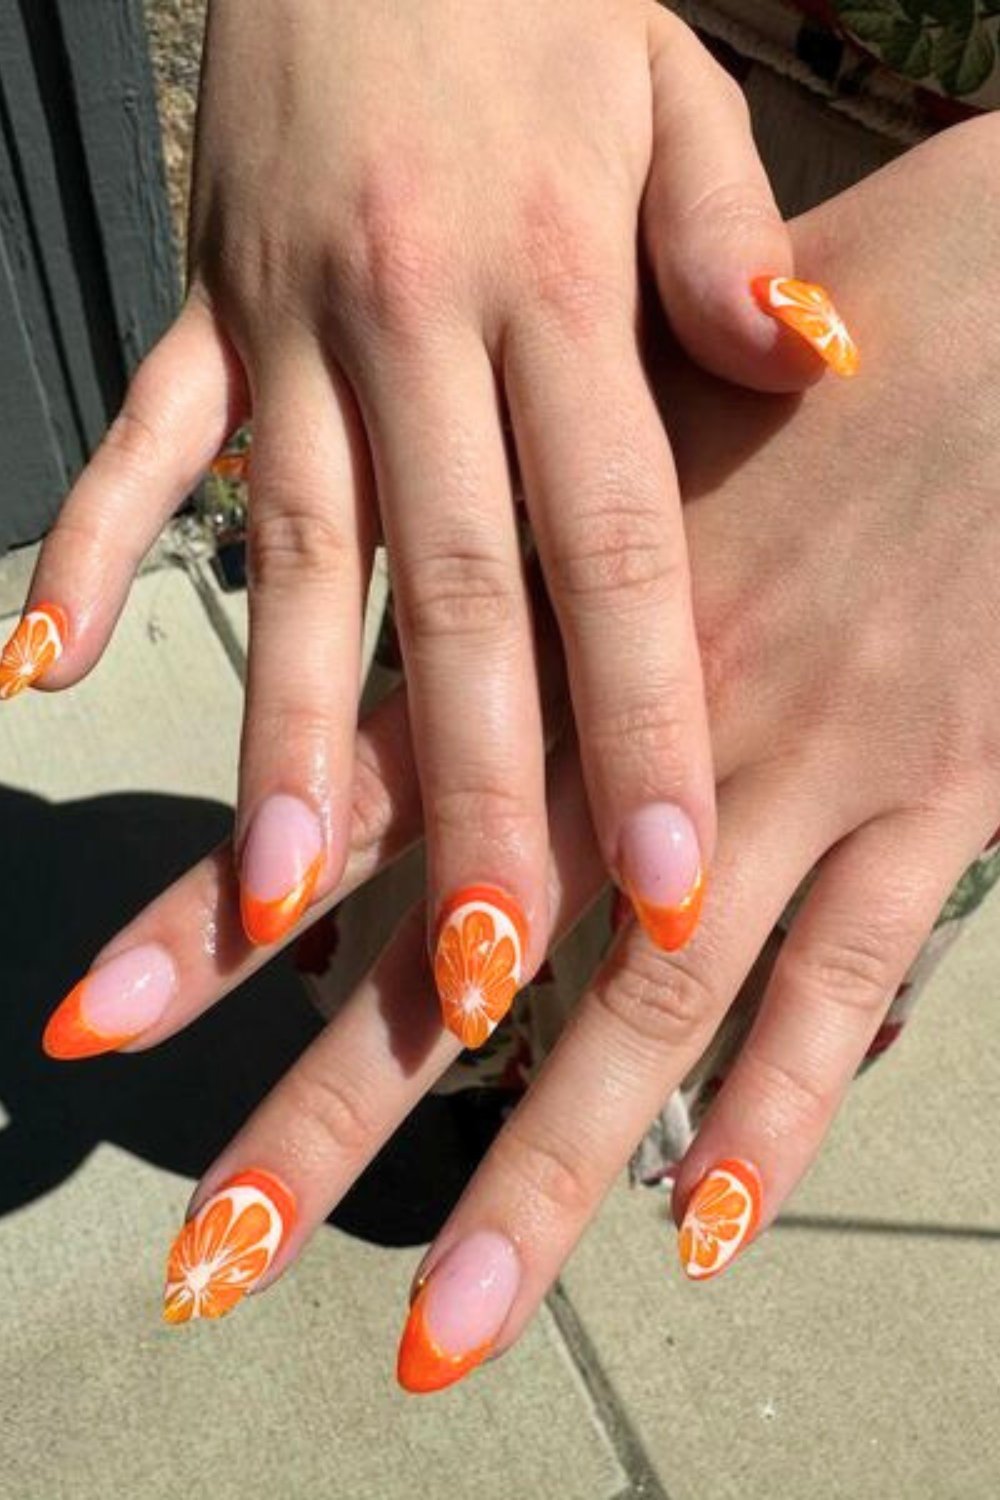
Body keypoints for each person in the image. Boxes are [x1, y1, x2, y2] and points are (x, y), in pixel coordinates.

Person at [7, 3, 1000, 1390]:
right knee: (454, 784)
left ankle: (530, 1093)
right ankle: (466, 1086)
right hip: (550, 148)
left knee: (738, 949)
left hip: (967, 378)